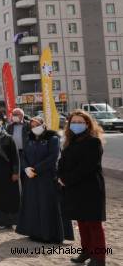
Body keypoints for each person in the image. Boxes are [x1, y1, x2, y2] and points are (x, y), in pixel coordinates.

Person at [58, 110, 107, 265]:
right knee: (82, 223)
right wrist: (60, 176)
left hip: (90, 188)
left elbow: (88, 167)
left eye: (80, 122)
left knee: (93, 224)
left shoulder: (93, 142)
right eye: (74, 122)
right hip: (74, 188)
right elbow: (61, 163)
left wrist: (67, 179)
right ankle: (86, 252)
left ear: (87, 124)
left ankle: (99, 258)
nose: (76, 124)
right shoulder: (69, 142)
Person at [16, 116, 73, 243]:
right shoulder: (29, 139)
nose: (34, 127)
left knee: (47, 205)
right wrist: (26, 169)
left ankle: (51, 235)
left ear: (43, 125)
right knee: (33, 205)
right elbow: (23, 156)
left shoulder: (53, 139)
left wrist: (35, 169)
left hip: (47, 178)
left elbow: (52, 158)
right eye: (32, 125)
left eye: (37, 124)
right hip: (31, 179)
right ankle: (35, 233)